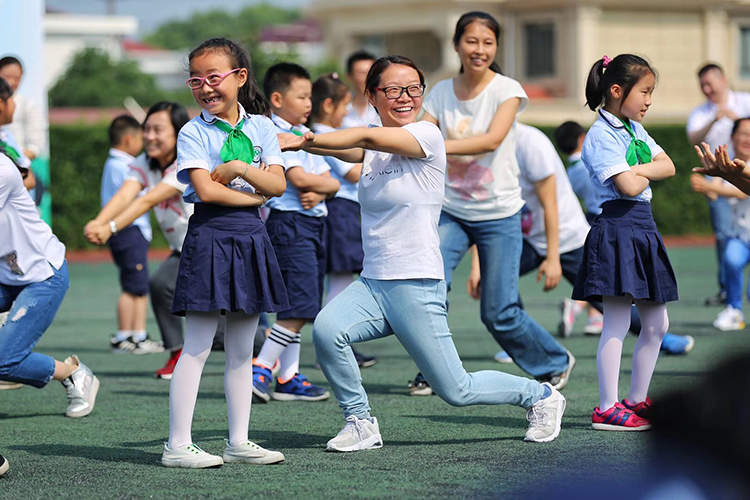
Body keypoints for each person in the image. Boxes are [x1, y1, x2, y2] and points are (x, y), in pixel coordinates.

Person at [282, 54, 566, 451]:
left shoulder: (426, 136)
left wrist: (306, 139)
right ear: (372, 95)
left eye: (414, 89)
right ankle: (360, 421)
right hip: (374, 282)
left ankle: (540, 397)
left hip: (415, 282)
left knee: (457, 389)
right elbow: (349, 148)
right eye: (394, 89)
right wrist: (295, 136)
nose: (406, 97)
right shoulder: (373, 143)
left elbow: (362, 139)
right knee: (328, 332)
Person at [416, 11, 574, 394]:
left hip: (499, 215)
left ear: (496, 47)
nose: (479, 49)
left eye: (488, 42)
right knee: (424, 286)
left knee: (498, 311)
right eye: (471, 41)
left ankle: (553, 361)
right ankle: (434, 368)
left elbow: (490, 140)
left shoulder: (508, 90)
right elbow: (417, 132)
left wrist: (432, 146)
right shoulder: (439, 91)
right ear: (456, 44)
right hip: (451, 211)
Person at [162, 37, 288, 468]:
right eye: (196, 80)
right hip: (210, 237)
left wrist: (237, 169)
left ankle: (239, 441)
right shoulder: (192, 130)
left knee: (241, 350)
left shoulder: (261, 127)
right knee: (196, 346)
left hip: (251, 240)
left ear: (240, 77)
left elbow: (279, 185)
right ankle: (177, 445)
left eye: (214, 77)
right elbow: (204, 190)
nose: (205, 88)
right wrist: (254, 197)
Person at [479, 123, 693, 362]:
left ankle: (661, 337)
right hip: (531, 238)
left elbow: (552, 207)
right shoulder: (487, 151)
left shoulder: (530, 143)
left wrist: (552, 259)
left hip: (567, 237)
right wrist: (479, 264)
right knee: (497, 279)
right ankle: (520, 343)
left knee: (607, 301)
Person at [576, 54, 677, 431]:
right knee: (616, 323)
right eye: (645, 92)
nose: (649, 100)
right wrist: (642, 170)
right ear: (617, 91)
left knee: (657, 324)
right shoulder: (601, 135)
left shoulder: (634, 129)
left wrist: (638, 168)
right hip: (617, 228)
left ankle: (635, 400)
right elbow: (630, 186)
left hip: (642, 228)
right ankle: (607, 407)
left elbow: (670, 166)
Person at [84, 101, 216, 380]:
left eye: (158, 130)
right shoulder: (144, 162)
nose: (149, 136)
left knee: (228, 325)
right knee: (160, 286)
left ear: (178, 133)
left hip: (211, 246)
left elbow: (149, 199)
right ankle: (177, 352)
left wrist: (110, 227)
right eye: (146, 129)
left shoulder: (187, 160)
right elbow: (125, 193)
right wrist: (98, 221)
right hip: (184, 249)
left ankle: (265, 354)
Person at [0, 76, 99, 418]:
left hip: (42, 274)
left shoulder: (1, 165)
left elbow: (23, 174)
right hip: (7, 272)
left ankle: (72, 373)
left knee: (4, 360)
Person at [250, 62, 338, 404]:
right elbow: (299, 179)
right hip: (291, 224)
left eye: (310, 97)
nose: (308, 103)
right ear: (276, 98)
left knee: (298, 304)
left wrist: (322, 189)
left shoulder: (306, 134)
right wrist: (319, 186)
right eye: (301, 96)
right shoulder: (276, 134)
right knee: (300, 306)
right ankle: (262, 368)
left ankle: (288, 376)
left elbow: (332, 181)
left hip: (310, 224)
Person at [310, 73, 376, 368]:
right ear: (327, 105)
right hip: (340, 211)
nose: (346, 113)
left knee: (341, 279)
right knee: (340, 281)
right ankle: (337, 341)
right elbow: (351, 172)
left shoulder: (322, 131)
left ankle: (340, 342)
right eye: (344, 106)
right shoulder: (323, 133)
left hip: (342, 210)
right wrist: (385, 158)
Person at [686, 63, 750, 307]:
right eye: (702, 85)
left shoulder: (744, 101)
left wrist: (737, 122)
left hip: (742, 172)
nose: (706, 88)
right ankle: (728, 291)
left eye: (709, 82)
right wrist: (715, 118)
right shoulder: (702, 112)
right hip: (719, 177)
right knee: (725, 237)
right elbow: (692, 137)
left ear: (723, 79)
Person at [100, 114, 162, 354]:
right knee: (132, 286)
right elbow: (138, 193)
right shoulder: (122, 166)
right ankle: (124, 336)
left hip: (129, 231)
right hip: (127, 230)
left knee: (138, 285)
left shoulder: (116, 163)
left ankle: (137, 335)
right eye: (141, 137)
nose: (145, 141)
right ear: (128, 139)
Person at [691, 117, 750, 331]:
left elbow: (742, 192)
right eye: (743, 133)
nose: (747, 139)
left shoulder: (735, 169)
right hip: (741, 236)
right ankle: (733, 309)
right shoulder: (728, 164)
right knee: (731, 260)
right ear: (732, 137)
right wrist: (705, 184)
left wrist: (714, 187)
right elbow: (714, 193)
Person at [0, 56, 45, 162]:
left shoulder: (28, 105)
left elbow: (35, 147)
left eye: (17, 78)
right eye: (7, 77)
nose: (11, 82)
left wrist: (16, 160)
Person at [342, 50, 380, 128]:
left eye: (371, 72)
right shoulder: (340, 108)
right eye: (361, 73)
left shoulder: (385, 105)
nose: (367, 78)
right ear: (349, 77)